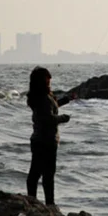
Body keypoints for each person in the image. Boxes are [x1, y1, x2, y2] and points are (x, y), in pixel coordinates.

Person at [26, 66, 76, 206]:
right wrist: (64, 118)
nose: (50, 83)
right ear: (42, 82)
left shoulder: (40, 97)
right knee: (46, 175)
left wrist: (66, 99)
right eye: (48, 81)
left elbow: (52, 107)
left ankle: (32, 201)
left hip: (39, 140)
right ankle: (48, 204)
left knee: (36, 173)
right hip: (46, 141)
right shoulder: (43, 98)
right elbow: (49, 118)